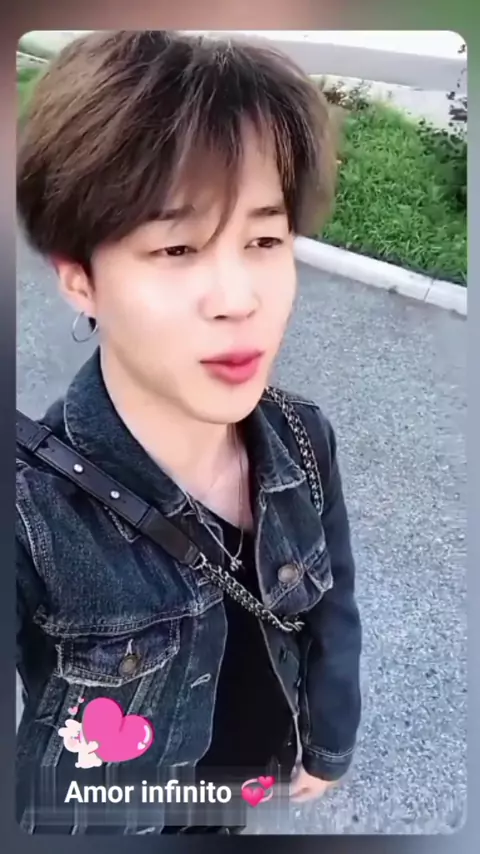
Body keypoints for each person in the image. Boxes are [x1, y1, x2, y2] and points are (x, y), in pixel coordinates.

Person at [16, 29, 362, 835]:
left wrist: (327, 744)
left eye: (264, 240)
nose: (238, 299)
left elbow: (332, 609)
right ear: (79, 278)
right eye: (177, 247)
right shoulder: (32, 512)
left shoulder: (301, 439)